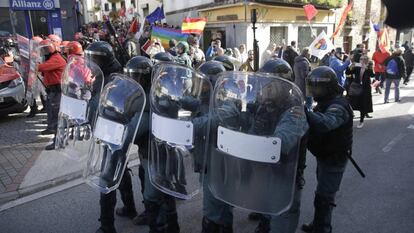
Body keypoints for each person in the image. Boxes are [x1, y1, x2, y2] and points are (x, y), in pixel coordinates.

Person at [84, 41, 137, 233]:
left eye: (93, 58)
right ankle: (130, 208)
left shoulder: (115, 79)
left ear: (102, 59)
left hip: (114, 132)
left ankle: (107, 226)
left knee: (107, 177)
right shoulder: (103, 75)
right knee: (120, 170)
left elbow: (111, 106)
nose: (90, 62)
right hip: (108, 131)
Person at [301, 66, 353, 233]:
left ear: (328, 87)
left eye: (318, 87)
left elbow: (325, 123)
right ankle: (318, 225)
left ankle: (323, 228)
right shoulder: (325, 102)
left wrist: (305, 113)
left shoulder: (339, 106)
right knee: (321, 194)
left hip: (334, 158)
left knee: (324, 197)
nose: (314, 91)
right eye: (312, 87)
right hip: (325, 154)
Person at [37, 39, 67, 150]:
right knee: (53, 115)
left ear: (50, 49)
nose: (43, 52)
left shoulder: (56, 59)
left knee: (57, 117)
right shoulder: (53, 58)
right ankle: (58, 139)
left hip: (57, 92)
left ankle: (58, 141)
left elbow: (41, 67)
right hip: (53, 91)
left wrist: (32, 64)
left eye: (45, 49)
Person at [346, 57, 374, 128]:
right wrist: (350, 67)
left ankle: (361, 121)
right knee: (352, 103)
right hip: (356, 87)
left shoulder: (368, 67)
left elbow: (373, 75)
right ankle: (350, 117)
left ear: (366, 61)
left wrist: (368, 68)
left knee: (363, 104)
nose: (362, 61)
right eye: (361, 59)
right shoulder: (357, 67)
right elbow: (348, 73)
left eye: (364, 59)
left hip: (365, 89)